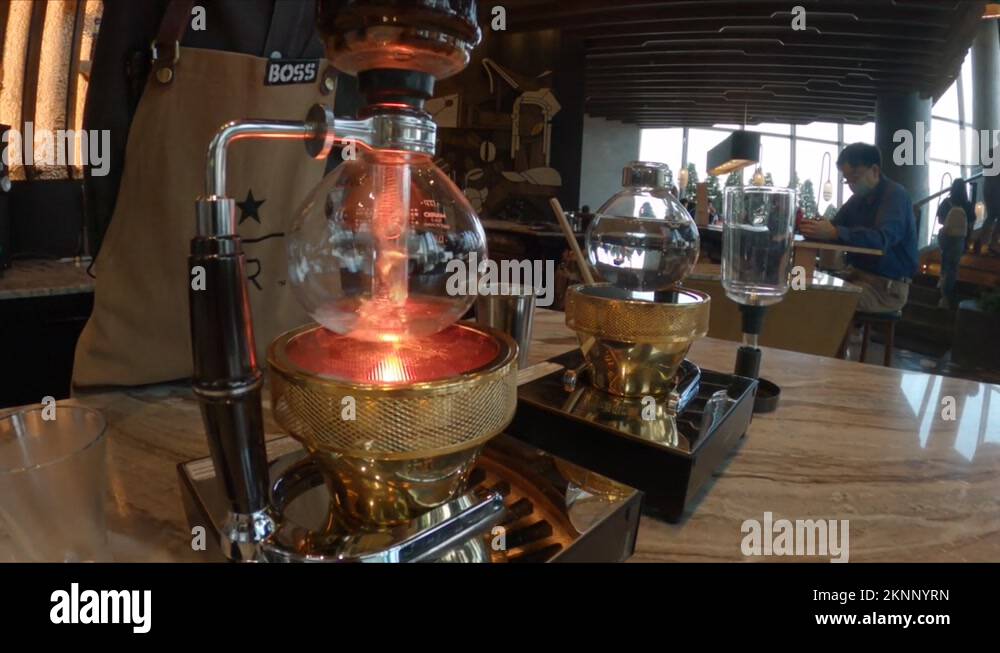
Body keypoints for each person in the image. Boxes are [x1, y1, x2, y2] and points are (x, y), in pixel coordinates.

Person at [799, 143, 919, 314]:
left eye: (855, 177)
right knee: (800, 287)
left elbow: (881, 239)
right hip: (856, 276)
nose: (852, 185)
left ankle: (846, 340)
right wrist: (815, 228)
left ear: (875, 170)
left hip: (886, 288)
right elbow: (835, 225)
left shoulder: (895, 196)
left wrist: (833, 232)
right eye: (847, 179)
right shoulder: (858, 199)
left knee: (823, 299)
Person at [936, 178, 975, 252]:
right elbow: (971, 222)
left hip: (947, 236)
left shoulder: (945, 202)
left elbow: (940, 220)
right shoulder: (968, 205)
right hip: (961, 238)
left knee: (946, 259)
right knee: (956, 260)